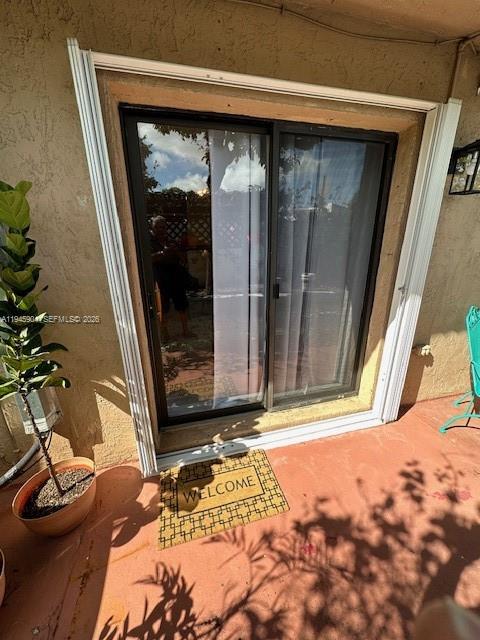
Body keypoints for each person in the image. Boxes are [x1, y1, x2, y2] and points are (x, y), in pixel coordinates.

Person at [149, 215, 195, 339]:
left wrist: (177, 251)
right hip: (160, 277)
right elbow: (148, 259)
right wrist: (162, 254)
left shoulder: (171, 241)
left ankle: (185, 331)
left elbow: (183, 259)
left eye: (163, 227)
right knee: (163, 306)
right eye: (157, 227)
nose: (161, 230)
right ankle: (165, 334)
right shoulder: (148, 242)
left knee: (182, 304)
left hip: (175, 276)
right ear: (152, 228)